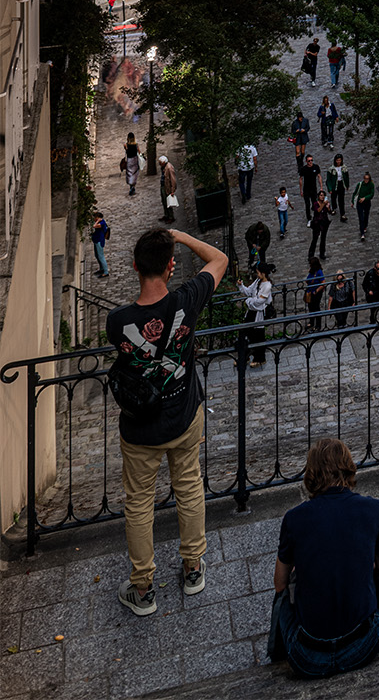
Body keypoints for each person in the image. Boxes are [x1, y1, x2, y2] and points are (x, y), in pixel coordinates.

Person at [105, 223, 227, 614]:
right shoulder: (187, 300)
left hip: (140, 428)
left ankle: (143, 588)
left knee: (139, 504)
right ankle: (192, 568)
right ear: (170, 266)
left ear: (135, 267)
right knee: (189, 487)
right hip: (184, 415)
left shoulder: (117, 321)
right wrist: (180, 236)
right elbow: (219, 259)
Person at [269, 436, 379, 676]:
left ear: (311, 475)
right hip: (363, 647)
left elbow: (279, 583)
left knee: (285, 596)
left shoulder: (294, 519)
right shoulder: (374, 509)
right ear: (349, 468)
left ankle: (277, 651)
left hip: (307, 657)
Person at [240, 264, 273, 368]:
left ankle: (259, 358)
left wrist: (249, 301)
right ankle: (245, 356)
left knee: (258, 335)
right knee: (246, 333)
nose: (257, 274)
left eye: (258, 272)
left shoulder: (267, 286)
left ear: (263, 273)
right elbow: (249, 291)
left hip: (259, 313)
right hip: (251, 311)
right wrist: (241, 285)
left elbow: (260, 302)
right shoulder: (257, 281)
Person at [309, 193, 332, 265]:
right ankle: (311, 254)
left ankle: (322, 253)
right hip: (317, 223)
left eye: (323, 195)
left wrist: (328, 207)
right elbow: (318, 210)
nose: (322, 197)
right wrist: (323, 204)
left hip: (324, 222)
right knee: (315, 239)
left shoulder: (326, 203)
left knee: (323, 238)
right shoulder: (315, 204)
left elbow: (330, 212)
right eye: (321, 195)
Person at [304, 259, 327, 332]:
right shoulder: (312, 271)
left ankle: (318, 325)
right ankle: (311, 322)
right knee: (310, 307)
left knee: (316, 308)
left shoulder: (319, 272)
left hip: (316, 293)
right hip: (310, 292)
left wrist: (317, 290)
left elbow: (323, 283)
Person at [326, 154, 349, 222]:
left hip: (341, 184)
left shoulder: (344, 167)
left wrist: (347, 185)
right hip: (334, 185)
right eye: (337, 160)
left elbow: (346, 177)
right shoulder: (331, 169)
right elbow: (328, 179)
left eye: (339, 160)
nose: (338, 161)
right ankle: (334, 208)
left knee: (341, 199)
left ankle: (342, 214)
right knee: (333, 197)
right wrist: (330, 188)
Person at [354, 170, 375, 243]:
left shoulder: (371, 185)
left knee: (366, 216)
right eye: (365, 179)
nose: (366, 180)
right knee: (361, 218)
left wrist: (365, 198)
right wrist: (352, 201)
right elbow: (355, 193)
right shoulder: (360, 184)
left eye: (367, 179)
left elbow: (371, 194)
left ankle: (365, 226)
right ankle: (362, 233)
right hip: (360, 203)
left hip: (367, 203)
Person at [158, 155, 178, 225]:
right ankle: (166, 215)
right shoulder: (164, 167)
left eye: (160, 162)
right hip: (163, 186)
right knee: (164, 201)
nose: (159, 164)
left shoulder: (169, 168)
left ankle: (171, 216)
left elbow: (173, 179)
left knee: (168, 202)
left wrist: (172, 190)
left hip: (167, 187)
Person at [289, 111, 310, 177]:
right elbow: (292, 131)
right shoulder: (295, 123)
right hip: (297, 138)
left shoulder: (305, 121)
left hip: (303, 137)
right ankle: (299, 165)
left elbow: (308, 128)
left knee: (302, 151)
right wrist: (296, 131)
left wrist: (304, 130)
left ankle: (301, 160)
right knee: (297, 151)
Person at [91, 210, 111, 278]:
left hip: (99, 240)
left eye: (95, 218)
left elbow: (94, 226)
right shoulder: (100, 222)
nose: (94, 219)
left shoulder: (101, 223)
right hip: (96, 239)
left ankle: (105, 272)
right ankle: (101, 268)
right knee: (97, 255)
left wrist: (97, 221)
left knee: (101, 256)